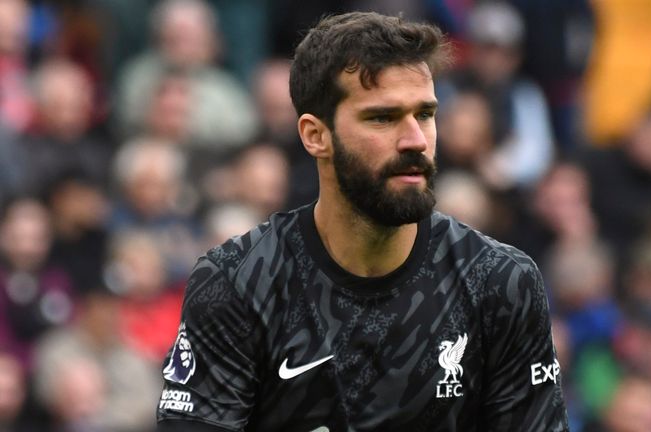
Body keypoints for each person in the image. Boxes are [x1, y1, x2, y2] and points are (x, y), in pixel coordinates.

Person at [156, 11, 568, 431]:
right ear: (316, 135)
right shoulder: (236, 282)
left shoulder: (500, 283)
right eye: (383, 118)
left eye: (425, 114)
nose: (416, 140)